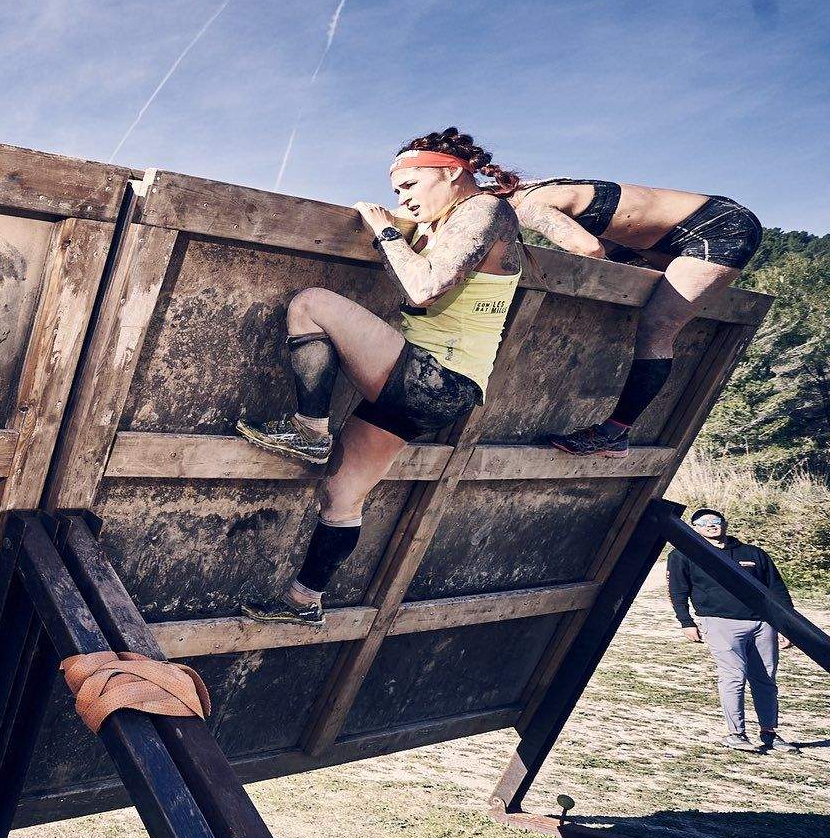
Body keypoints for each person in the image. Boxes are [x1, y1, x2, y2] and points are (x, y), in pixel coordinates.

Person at [237, 129, 523, 626]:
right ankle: (304, 603)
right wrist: (404, 226)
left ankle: (309, 431)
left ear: (451, 173)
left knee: (311, 304)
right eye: (396, 191)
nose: (403, 197)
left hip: (435, 377)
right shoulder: (445, 222)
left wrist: (385, 229)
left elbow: (424, 289)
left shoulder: (485, 210)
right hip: (430, 389)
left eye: (410, 184)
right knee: (341, 495)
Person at [513, 176, 762, 457]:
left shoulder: (531, 205)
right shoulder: (546, 188)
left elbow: (588, 249)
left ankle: (614, 433)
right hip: (685, 228)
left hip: (719, 231)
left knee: (657, 328)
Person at [668, 507, 802, 753]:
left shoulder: (753, 553)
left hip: (763, 624)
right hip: (719, 623)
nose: (711, 525)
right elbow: (677, 591)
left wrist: (787, 626)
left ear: (725, 523)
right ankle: (736, 734)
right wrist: (686, 621)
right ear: (694, 528)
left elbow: (777, 589)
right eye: (703, 522)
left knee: (766, 679)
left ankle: (769, 733)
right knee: (734, 677)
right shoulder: (683, 555)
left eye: (716, 520)